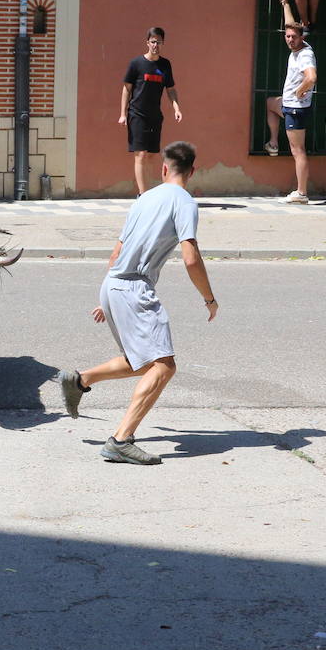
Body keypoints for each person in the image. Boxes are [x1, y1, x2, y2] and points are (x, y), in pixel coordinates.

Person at [57, 141, 218, 466]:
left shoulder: (145, 198)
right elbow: (190, 258)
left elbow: (117, 252)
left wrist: (109, 300)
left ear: (163, 169)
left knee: (143, 359)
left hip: (114, 284)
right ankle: (121, 440)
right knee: (163, 365)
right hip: (133, 289)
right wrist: (209, 298)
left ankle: (81, 380)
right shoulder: (185, 202)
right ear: (193, 171)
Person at [265, 0, 317, 204]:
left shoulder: (305, 54)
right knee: (269, 103)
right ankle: (274, 143)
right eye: (287, 36)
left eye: (294, 37)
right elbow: (290, 24)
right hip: (288, 104)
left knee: (298, 150)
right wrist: (285, 4)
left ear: (302, 37)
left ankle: (301, 193)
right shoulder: (295, 42)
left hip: (296, 108)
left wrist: (301, 89)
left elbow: (312, 77)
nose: (290, 40)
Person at [119, 27, 183, 197]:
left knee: (151, 156)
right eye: (153, 41)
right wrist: (123, 114)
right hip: (136, 114)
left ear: (163, 44)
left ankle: (148, 192)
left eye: (159, 42)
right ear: (147, 43)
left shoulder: (165, 65)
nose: (156, 45)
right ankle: (143, 194)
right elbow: (126, 89)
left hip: (155, 115)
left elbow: (170, 89)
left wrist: (176, 108)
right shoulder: (136, 64)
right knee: (140, 154)